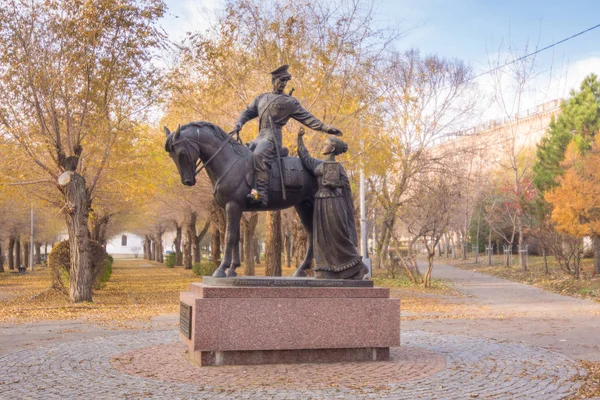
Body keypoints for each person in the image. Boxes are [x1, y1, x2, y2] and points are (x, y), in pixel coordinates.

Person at [233, 65, 342, 206]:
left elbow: (307, 117)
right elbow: (247, 111)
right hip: (259, 137)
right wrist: (239, 123)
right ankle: (247, 190)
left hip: (272, 139)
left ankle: (263, 194)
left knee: (258, 155)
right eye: (280, 80)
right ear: (273, 80)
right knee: (243, 154)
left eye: (285, 81)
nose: (283, 84)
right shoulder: (261, 98)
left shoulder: (290, 102)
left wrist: (325, 128)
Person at [297, 128, 368, 280]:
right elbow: (305, 157)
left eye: (326, 144)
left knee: (338, 236)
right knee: (322, 237)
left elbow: (344, 184)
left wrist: (334, 183)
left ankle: (358, 266)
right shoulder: (319, 164)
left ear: (333, 148)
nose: (323, 146)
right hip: (320, 203)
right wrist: (299, 138)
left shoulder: (338, 167)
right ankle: (326, 269)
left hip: (334, 203)